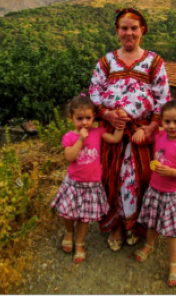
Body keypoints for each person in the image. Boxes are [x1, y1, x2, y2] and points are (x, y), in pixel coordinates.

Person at [89, 7, 171, 252]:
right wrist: (107, 114)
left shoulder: (154, 62)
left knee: (138, 176)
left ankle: (134, 225)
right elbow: (94, 93)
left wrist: (152, 127)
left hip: (140, 130)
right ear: (117, 31)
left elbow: (163, 98)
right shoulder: (106, 62)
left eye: (133, 28)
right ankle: (115, 225)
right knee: (109, 175)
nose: (129, 33)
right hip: (110, 130)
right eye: (124, 28)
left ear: (142, 30)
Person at [50, 94, 124, 263]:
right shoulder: (69, 136)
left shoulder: (98, 132)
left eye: (88, 118)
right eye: (79, 118)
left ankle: (80, 242)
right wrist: (80, 140)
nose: (84, 122)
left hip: (92, 185)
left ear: (94, 117)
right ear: (71, 118)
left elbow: (115, 138)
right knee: (66, 213)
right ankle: (69, 232)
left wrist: (120, 124)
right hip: (74, 183)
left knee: (84, 217)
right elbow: (69, 156)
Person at [135, 100, 176, 287]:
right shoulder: (160, 136)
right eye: (167, 121)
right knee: (152, 221)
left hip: (173, 194)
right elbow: (146, 134)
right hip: (155, 189)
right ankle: (149, 244)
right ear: (161, 122)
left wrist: (171, 172)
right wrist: (140, 130)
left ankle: (174, 262)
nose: (171, 126)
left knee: (172, 231)